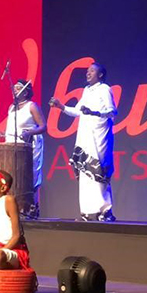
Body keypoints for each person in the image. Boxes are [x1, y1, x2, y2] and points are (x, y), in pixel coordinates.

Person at [49, 62, 118, 222]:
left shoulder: (104, 89)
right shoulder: (86, 90)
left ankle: (105, 211)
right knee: (85, 172)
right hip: (85, 135)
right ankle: (87, 211)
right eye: (87, 71)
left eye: (92, 71)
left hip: (99, 135)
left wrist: (94, 112)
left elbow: (112, 111)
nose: (88, 73)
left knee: (98, 170)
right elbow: (77, 111)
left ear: (100, 75)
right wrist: (61, 106)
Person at [0, 79, 46, 218]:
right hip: (12, 146)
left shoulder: (32, 106)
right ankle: (14, 208)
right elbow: (13, 128)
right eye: (14, 88)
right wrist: (3, 134)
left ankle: (31, 208)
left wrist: (29, 132)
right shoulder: (11, 107)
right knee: (14, 175)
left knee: (29, 176)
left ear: (25, 92)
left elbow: (43, 127)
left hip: (29, 146)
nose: (14, 90)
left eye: (18, 88)